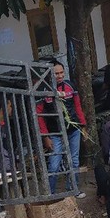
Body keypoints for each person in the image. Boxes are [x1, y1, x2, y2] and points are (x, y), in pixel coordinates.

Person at [37, 61, 87, 197]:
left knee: (74, 160)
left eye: (61, 73)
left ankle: (73, 189)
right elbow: (39, 116)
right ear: (49, 75)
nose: (59, 76)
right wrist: (45, 136)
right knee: (54, 164)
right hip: (55, 133)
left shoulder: (70, 86)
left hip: (73, 129)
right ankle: (50, 194)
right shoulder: (43, 90)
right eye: (56, 73)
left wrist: (82, 125)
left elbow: (77, 106)